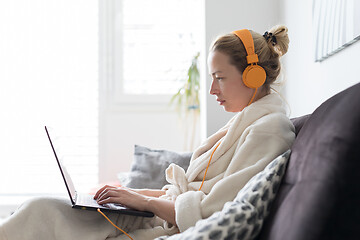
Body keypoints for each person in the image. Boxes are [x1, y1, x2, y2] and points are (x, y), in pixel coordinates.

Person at [0, 25, 295, 240]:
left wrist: (143, 202)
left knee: (41, 214)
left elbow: (208, 210)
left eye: (219, 78)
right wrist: (131, 194)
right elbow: (192, 193)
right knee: (41, 208)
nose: (212, 90)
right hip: (159, 215)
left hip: (165, 225)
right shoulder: (244, 123)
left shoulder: (270, 130)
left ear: (252, 75)